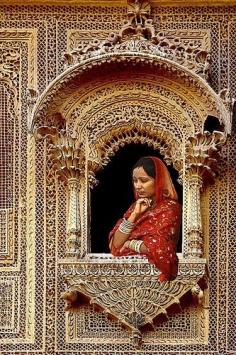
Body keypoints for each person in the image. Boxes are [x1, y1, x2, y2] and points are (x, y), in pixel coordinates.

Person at [108, 156, 181, 282]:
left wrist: (129, 243)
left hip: (157, 279)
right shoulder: (136, 207)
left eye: (143, 180)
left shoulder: (170, 208)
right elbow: (115, 244)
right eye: (135, 181)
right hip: (127, 276)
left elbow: (161, 247)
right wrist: (134, 215)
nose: (138, 186)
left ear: (158, 180)